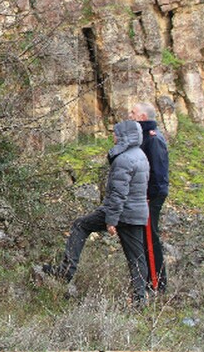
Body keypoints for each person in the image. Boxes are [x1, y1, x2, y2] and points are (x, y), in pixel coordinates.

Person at [43, 120, 150, 307]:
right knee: (137, 258)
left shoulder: (124, 159)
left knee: (80, 225)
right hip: (137, 214)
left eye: (116, 133)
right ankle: (140, 300)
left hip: (121, 212)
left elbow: (118, 194)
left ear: (125, 136)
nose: (113, 136)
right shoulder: (140, 155)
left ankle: (66, 271)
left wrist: (111, 221)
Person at [129, 101, 169, 293]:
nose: (130, 115)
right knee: (144, 239)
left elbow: (158, 173)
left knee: (150, 240)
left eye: (133, 112)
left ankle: (156, 286)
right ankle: (148, 282)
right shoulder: (143, 136)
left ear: (142, 117)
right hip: (144, 197)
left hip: (150, 198)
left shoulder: (153, 139)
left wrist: (148, 196)